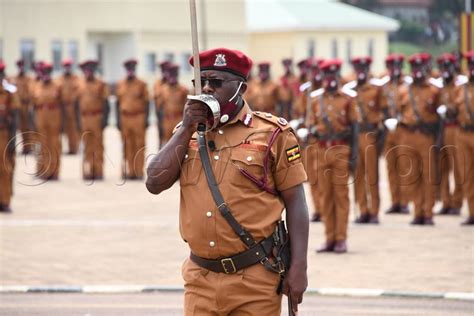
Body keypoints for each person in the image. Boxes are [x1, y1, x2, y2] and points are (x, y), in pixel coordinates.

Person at [146, 47, 309, 315]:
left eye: (217, 82)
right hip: (201, 280)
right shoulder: (187, 133)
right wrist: (187, 127)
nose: (207, 89)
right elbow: (154, 183)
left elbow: (296, 202)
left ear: (240, 88)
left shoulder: (271, 134)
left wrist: (299, 268)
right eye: (201, 82)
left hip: (255, 279)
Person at [310, 59, 359, 253]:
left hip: (340, 150)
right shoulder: (315, 100)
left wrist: (354, 154)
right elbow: (311, 125)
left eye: (333, 75)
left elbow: (354, 127)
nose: (330, 79)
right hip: (321, 150)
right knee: (325, 197)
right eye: (327, 76)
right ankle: (329, 238)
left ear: (338, 77)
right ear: (322, 77)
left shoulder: (348, 98)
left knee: (341, 196)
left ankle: (341, 238)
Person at [397, 53, 442, 225]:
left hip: (426, 136)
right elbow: (399, 113)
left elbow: (440, 117)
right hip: (408, 135)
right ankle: (418, 212)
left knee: (428, 176)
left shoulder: (434, 90)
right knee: (412, 177)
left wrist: (439, 140)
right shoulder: (403, 90)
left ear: (426, 68)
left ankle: (428, 212)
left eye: (420, 67)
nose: (417, 71)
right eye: (414, 68)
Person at [348, 56, 384, 224]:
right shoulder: (349, 91)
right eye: (358, 69)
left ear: (368, 70)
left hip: (370, 135)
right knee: (358, 175)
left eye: (364, 69)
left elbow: (383, 111)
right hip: (355, 135)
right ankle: (363, 210)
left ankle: (374, 211)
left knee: (372, 175)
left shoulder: (376, 89)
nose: (361, 72)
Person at [382, 54, 410, 215]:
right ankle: (395, 201)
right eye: (392, 67)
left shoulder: (408, 85)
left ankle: (405, 202)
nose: (395, 70)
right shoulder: (384, 86)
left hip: (403, 130)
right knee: (391, 167)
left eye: (398, 67)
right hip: (388, 130)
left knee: (404, 166)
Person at [436, 53, 463, 216]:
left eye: (448, 66)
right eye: (442, 67)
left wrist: (450, 108)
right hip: (443, 129)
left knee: (458, 168)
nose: (445, 70)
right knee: (442, 167)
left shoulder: (459, 86)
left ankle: (457, 202)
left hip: (456, 128)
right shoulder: (440, 87)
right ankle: (446, 202)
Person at [116, 59, 149, 180]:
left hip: (138, 117)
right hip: (125, 117)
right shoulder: (120, 84)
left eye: (132, 69)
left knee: (139, 144)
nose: (130, 71)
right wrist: (118, 121)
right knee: (127, 144)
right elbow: (117, 103)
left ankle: (138, 171)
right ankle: (129, 171)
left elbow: (147, 103)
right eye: (128, 69)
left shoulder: (142, 84)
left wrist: (146, 120)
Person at [77, 60, 109, 180]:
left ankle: (98, 171)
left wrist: (104, 120)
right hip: (84, 117)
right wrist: (77, 121)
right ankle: (88, 171)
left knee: (98, 146)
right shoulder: (79, 84)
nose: (88, 72)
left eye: (91, 70)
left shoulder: (101, 84)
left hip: (97, 117)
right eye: (86, 70)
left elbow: (106, 103)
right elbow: (76, 104)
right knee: (87, 145)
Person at [30, 63, 63, 180]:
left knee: (54, 146)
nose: (45, 75)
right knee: (41, 146)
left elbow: (62, 105)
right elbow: (33, 106)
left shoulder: (57, 86)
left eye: (47, 72)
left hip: (54, 121)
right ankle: (42, 170)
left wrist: (63, 124)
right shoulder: (36, 86)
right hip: (40, 120)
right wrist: (32, 123)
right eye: (43, 72)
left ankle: (54, 172)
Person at [453, 51, 474, 225]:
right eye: (471, 65)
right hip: (463, 133)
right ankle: (472, 212)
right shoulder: (461, 88)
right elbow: (454, 108)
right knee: (466, 174)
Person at [0, 61, 19, 213]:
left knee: (4, 167)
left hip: (3, 135)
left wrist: (12, 140)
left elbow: (14, 116)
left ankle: (4, 200)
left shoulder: (9, 91)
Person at [157, 64, 187, 147]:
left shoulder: (183, 89)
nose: (172, 77)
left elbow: (187, 107)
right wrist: (160, 125)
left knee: (179, 145)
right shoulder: (162, 89)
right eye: (171, 74)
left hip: (179, 120)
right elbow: (159, 108)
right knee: (167, 146)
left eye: (174, 74)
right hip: (166, 121)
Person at [57, 59, 81, 154]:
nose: (67, 68)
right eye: (65, 66)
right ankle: (68, 147)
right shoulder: (60, 79)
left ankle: (74, 148)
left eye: (68, 66)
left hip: (73, 106)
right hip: (63, 106)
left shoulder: (76, 78)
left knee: (73, 128)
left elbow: (79, 91)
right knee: (65, 128)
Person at [12, 59, 34, 154]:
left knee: (28, 127)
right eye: (19, 66)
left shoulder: (28, 79)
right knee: (20, 127)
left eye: (22, 66)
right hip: (18, 106)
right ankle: (24, 147)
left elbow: (32, 92)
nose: (21, 68)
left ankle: (29, 147)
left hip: (26, 105)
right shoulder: (14, 79)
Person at [153, 61, 170, 147]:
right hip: (160, 115)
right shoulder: (157, 84)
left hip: (171, 116)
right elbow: (155, 99)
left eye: (166, 70)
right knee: (161, 141)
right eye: (163, 70)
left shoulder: (173, 84)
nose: (164, 72)